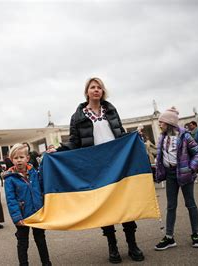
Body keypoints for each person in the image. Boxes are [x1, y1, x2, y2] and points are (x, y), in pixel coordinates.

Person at [57, 77, 144, 263]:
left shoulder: (111, 110)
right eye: (92, 87)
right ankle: (112, 247)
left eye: (99, 87)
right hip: (96, 166)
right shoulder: (78, 116)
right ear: (87, 92)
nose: (96, 90)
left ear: (102, 91)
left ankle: (132, 245)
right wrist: (57, 150)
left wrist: (133, 137)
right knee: (106, 207)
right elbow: (74, 141)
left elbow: (119, 133)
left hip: (118, 163)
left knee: (124, 204)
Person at [154, 107, 198, 251]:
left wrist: (191, 168)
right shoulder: (162, 137)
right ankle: (169, 237)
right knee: (171, 206)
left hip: (184, 173)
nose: (159, 124)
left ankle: (196, 234)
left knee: (190, 204)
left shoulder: (185, 136)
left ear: (169, 123)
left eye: (161, 122)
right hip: (170, 175)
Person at [3, 143, 51, 266]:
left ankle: (46, 263)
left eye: (21, 157)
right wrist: (17, 218)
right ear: (11, 160)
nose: (19, 160)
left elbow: (42, 186)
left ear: (27, 158)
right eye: (15, 158)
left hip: (37, 212)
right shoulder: (10, 179)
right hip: (22, 216)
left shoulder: (34, 173)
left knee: (41, 240)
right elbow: (11, 199)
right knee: (23, 242)